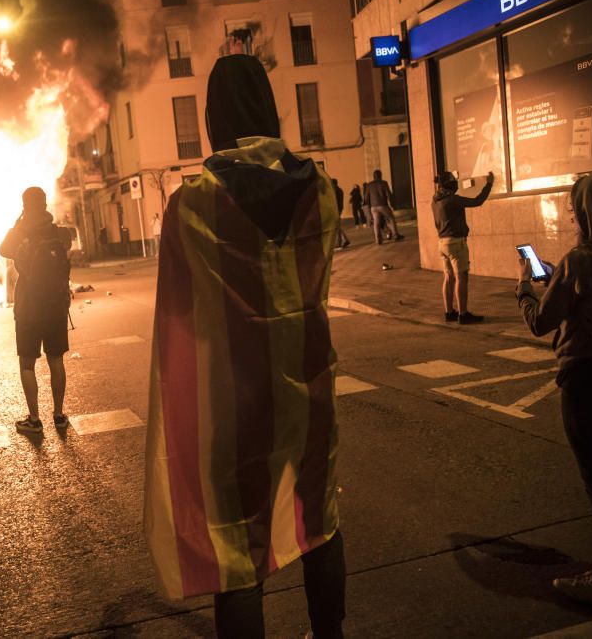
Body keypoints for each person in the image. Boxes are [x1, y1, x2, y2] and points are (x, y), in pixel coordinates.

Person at [145, 54, 345, 639]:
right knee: (320, 519)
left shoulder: (191, 204)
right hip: (311, 384)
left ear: (213, 117)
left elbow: (180, 312)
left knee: (234, 546)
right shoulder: (323, 191)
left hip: (233, 403)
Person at [516, 173, 592, 605]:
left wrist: (527, 291)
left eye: (574, 209)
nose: (572, 217)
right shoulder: (574, 265)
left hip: (587, 382)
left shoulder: (578, 261)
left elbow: (541, 322)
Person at [0, 187, 73, 434]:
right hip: (55, 306)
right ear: (44, 204)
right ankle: (59, 414)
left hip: (29, 307)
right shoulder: (59, 234)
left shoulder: (20, 234)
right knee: (56, 360)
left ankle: (34, 419)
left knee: (28, 364)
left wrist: (19, 222)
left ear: (25, 205)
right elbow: (68, 245)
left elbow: (2, 249)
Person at [432, 170, 494, 324]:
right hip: (456, 243)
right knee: (461, 277)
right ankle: (463, 314)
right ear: (449, 184)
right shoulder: (452, 200)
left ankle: (449, 312)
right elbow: (477, 201)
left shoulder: (435, 201)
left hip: (442, 242)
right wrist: (489, 184)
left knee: (448, 278)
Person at [364, 169, 403, 244]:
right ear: (380, 175)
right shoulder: (384, 183)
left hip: (373, 207)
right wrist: (392, 205)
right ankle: (395, 235)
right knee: (391, 218)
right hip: (382, 205)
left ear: (373, 176)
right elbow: (389, 194)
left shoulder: (369, 185)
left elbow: (366, 197)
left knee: (376, 222)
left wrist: (369, 207)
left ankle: (378, 240)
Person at [333, 179, 350, 249]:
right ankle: (345, 240)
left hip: (335, 210)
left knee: (336, 227)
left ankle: (339, 243)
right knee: (337, 226)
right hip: (339, 209)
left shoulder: (334, 190)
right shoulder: (339, 190)